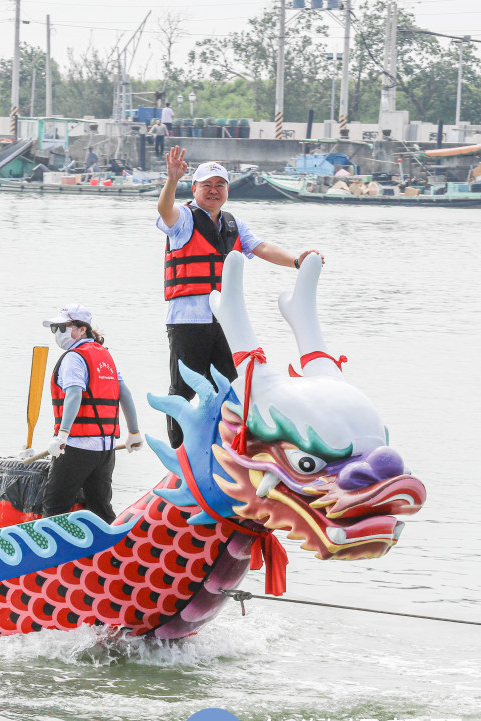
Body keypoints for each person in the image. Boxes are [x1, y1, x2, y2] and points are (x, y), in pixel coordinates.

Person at [157, 147, 321, 447]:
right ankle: (179, 449)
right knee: (184, 388)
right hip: (188, 320)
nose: (213, 190)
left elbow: (262, 248)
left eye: (220, 185)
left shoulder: (233, 224)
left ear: (227, 190)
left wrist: (297, 261)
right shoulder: (183, 219)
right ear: (194, 189)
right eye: (207, 185)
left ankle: (225, 445)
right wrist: (171, 180)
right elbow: (164, 211)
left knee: (231, 384)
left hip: (225, 320)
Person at [35, 304, 145, 524]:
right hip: (105, 450)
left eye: (62, 327)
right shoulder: (105, 356)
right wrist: (134, 432)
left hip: (76, 446)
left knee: (54, 508)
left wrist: (63, 434)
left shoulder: (73, 358)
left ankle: (51, 548)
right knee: (100, 509)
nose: (57, 333)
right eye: (54, 328)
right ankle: (118, 544)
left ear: (82, 329)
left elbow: (74, 394)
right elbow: (125, 394)